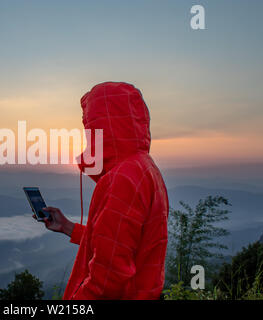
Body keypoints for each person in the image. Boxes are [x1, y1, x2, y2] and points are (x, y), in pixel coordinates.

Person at [42, 82, 169, 300]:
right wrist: (68, 227)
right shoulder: (145, 168)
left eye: (90, 128)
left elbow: (108, 279)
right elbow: (119, 248)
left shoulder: (123, 179)